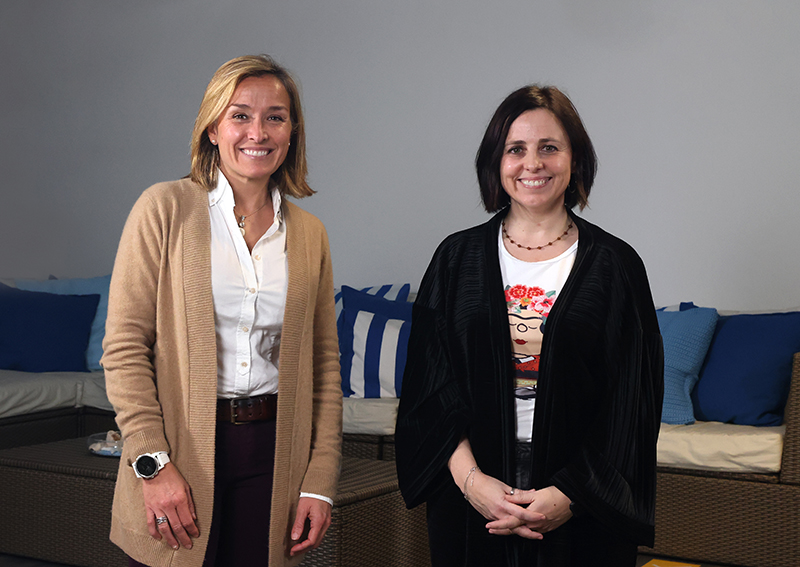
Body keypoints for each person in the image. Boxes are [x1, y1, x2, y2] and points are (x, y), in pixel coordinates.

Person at [395, 85, 664, 566]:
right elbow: (428, 389)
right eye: (515, 149)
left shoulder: (616, 266)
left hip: (580, 501)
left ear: (575, 160)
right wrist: (473, 483)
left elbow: (633, 400)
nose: (532, 164)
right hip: (472, 497)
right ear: (496, 163)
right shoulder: (455, 259)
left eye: (549, 148)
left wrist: (570, 493)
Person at [101, 54, 342, 567]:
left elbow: (324, 366)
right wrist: (152, 463)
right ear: (213, 127)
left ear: (292, 131)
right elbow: (124, 349)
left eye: (275, 116)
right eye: (240, 115)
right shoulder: (163, 209)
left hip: (276, 455)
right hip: (181, 452)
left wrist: (319, 482)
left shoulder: (309, 234)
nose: (258, 131)